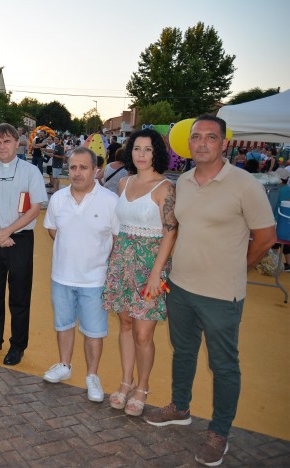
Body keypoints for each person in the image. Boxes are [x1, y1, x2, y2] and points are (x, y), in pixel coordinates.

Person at [144, 115, 276, 466]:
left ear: (223, 143)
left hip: (222, 294)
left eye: (211, 137)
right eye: (197, 137)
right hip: (182, 287)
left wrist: (238, 268)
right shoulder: (183, 182)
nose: (202, 143)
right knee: (183, 352)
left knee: (224, 365)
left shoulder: (245, 184)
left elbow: (266, 238)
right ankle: (180, 407)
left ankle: (219, 432)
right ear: (190, 143)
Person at [101, 128, 177, 417]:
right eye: (136, 149)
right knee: (125, 325)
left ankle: (142, 387)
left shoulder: (166, 188)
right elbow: (119, 228)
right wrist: (113, 263)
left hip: (150, 266)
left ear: (156, 152)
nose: (141, 154)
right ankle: (125, 381)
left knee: (144, 333)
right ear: (129, 152)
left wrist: (157, 274)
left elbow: (170, 233)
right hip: (122, 262)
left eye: (147, 149)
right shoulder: (124, 183)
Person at [42, 146, 119, 402]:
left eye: (83, 167)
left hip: (95, 280)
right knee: (63, 325)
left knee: (94, 332)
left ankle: (92, 376)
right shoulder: (58, 199)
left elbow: (116, 240)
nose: (77, 173)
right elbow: (53, 230)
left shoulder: (110, 201)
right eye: (73, 167)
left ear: (96, 170)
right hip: (62, 276)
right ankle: (64, 366)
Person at [0, 123, 48, 366]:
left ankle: (17, 345)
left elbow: (35, 208)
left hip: (20, 239)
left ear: (17, 143)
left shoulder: (30, 171)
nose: (2, 146)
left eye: (7, 141)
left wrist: (8, 231)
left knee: (19, 296)